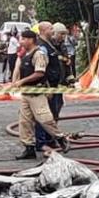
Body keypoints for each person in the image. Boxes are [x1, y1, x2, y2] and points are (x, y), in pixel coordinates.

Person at [12, 29, 68, 159]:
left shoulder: (39, 54)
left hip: (37, 93)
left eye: (24, 39)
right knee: (25, 122)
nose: (21, 42)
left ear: (31, 40)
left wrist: (22, 81)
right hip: (26, 93)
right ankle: (29, 148)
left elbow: (40, 73)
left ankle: (60, 138)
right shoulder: (26, 54)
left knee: (45, 119)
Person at [34, 22, 67, 152]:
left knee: (53, 113)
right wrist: (47, 86)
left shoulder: (52, 45)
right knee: (44, 115)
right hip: (49, 87)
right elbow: (43, 69)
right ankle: (42, 142)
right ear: (43, 30)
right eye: (50, 28)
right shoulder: (42, 47)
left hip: (56, 86)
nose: (52, 30)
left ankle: (50, 138)